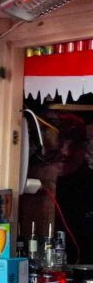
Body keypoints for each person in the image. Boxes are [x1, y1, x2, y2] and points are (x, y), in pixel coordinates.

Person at [54, 113, 93, 264]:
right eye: (60, 143)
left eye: (74, 144)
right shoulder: (39, 184)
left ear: (85, 147)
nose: (66, 152)